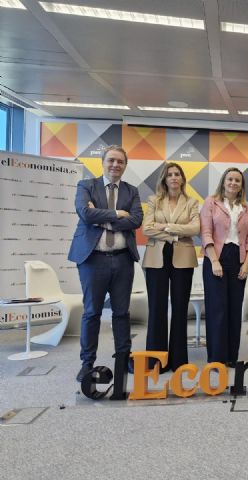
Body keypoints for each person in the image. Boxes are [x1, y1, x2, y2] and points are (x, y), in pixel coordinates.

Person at [68, 145, 143, 382]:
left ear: (125, 165)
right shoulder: (86, 186)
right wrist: (118, 214)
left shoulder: (131, 191)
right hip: (93, 259)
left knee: (122, 312)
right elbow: (85, 213)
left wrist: (101, 217)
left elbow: (137, 220)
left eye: (120, 161)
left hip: (122, 259)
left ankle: (123, 357)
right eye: (111, 160)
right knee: (92, 312)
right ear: (103, 161)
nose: (115, 165)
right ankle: (87, 363)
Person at [141, 162, 200, 372]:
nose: (174, 177)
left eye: (177, 174)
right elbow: (147, 229)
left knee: (180, 308)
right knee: (157, 308)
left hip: (183, 258)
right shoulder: (153, 200)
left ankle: (178, 360)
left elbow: (195, 228)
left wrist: (166, 227)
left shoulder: (192, 202)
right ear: (164, 179)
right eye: (169, 174)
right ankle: (155, 361)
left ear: (182, 179)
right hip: (156, 258)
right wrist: (175, 235)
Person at [200, 167, 248, 366]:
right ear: (223, 182)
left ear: (242, 185)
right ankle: (216, 358)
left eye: (237, 180)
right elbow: (205, 233)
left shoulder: (247, 207)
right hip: (216, 257)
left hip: (238, 259)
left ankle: (231, 357)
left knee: (234, 310)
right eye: (230, 179)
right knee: (217, 310)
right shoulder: (211, 202)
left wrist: (246, 264)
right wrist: (214, 261)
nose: (233, 183)